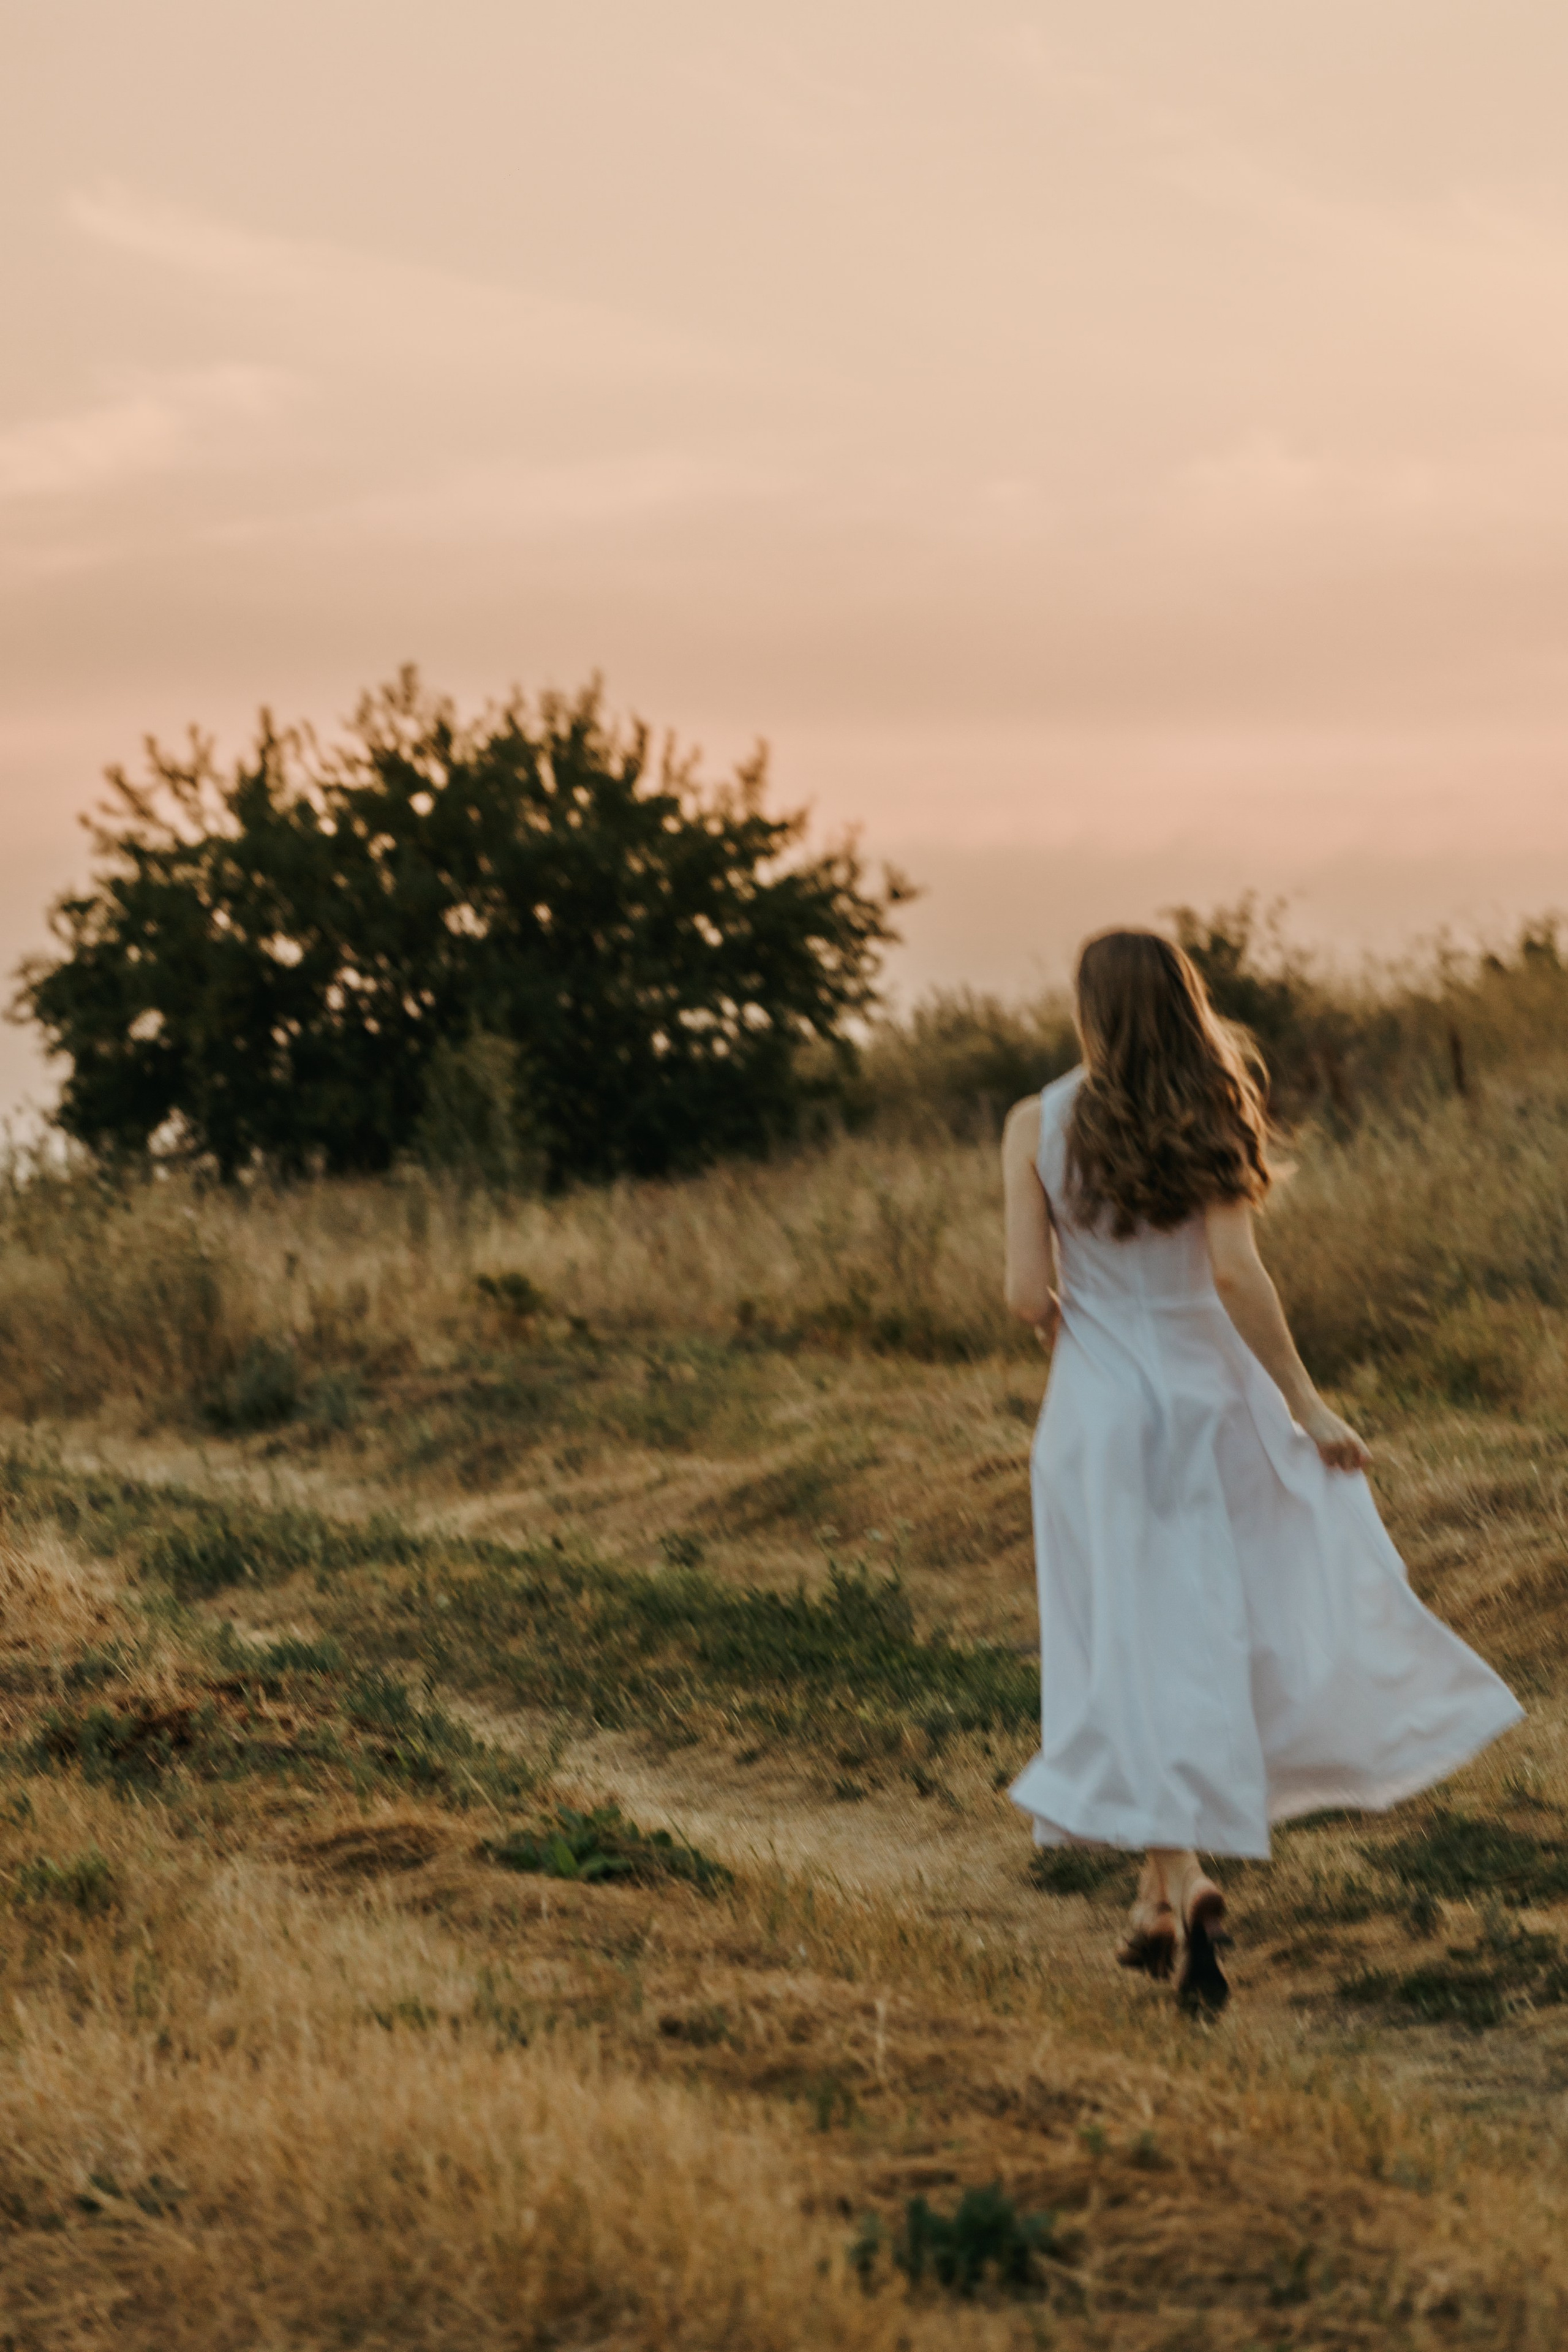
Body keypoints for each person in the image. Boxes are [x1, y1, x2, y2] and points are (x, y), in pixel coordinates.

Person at [1001, 929, 1522, 2015]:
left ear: (1090, 1011)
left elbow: (1021, 1297)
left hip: (1096, 1418)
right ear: (1187, 1003)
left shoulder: (1034, 1124)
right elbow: (1236, 1275)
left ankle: (1176, 1883)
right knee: (1200, 1637)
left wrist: (1074, 1320)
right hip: (1210, 1405)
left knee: (1127, 1646)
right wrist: (1306, 1400)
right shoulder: (1214, 1107)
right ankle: (1163, 1895)